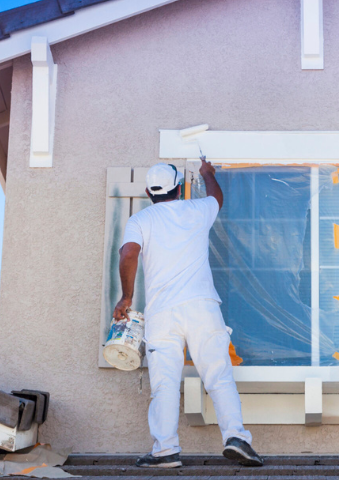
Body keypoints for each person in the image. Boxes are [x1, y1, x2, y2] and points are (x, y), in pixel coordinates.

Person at [113, 160, 263, 468]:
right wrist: (208, 174)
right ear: (179, 188)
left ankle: (165, 451)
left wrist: (126, 297)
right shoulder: (197, 210)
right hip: (202, 308)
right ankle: (237, 438)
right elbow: (216, 198)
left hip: (162, 314)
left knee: (165, 383)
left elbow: (129, 253)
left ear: (147, 193)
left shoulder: (140, 219)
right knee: (219, 376)